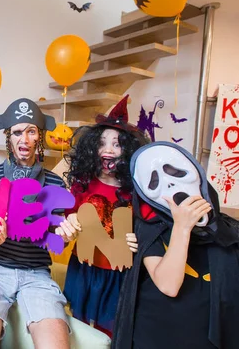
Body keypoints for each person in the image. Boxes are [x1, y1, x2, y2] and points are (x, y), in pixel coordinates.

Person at [0, 98, 69, 349]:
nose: (24, 139)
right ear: (8, 137)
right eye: (17, 132)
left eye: (31, 131)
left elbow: (58, 239)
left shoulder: (55, 184)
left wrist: (65, 235)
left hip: (37, 273)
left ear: (40, 137)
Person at [113, 142, 239, 349]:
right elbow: (168, 285)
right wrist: (182, 227)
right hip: (158, 338)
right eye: (154, 181)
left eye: (176, 172)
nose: (169, 184)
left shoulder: (229, 230)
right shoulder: (149, 228)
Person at [59, 95, 149, 336]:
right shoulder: (82, 186)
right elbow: (63, 231)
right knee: (78, 328)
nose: (108, 149)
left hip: (118, 274)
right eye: (102, 143)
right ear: (93, 149)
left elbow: (149, 234)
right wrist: (67, 225)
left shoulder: (136, 193)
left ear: (127, 150)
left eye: (117, 144)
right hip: (84, 270)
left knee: (111, 331)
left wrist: (139, 242)